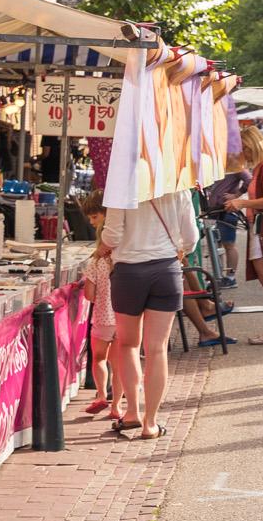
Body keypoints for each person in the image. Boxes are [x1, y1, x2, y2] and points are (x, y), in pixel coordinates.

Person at [101, 185, 197, 438]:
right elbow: (191, 238)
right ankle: (150, 423)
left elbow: (112, 236)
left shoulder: (122, 185)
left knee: (128, 344)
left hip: (129, 271)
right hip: (166, 269)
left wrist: (104, 245)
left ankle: (131, 412)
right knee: (157, 349)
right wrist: (179, 248)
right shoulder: (178, 187)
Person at [224, 125, 263, 345]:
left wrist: (242, 203)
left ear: (252, 146)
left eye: (245, 148)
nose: (244, 153)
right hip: (260, 227)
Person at [82, 192, 117, 417]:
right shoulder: (123, 258)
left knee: (99, 358)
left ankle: (102, 395)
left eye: (94, 217)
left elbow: (89, 294)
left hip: (103, 318)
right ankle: (118, 404)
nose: (91, 222)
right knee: (121, 361)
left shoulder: (95, 262)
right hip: (124, 316)